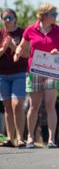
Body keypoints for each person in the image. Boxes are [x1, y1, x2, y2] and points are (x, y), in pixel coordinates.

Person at [14, 3, 59, 149]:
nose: (56, 17)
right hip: (34, 70)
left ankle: (51, 139)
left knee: (50, 104)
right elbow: (22, 45)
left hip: (53, 70)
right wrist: (17, 52)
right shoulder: (30, 29)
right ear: (44, 15)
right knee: (34, 105)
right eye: (54, 14)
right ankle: (30, 137)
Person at [0, 9, 28, 148]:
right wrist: (4, 48)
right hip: (3, 75)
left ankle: (20, 137)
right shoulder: (1, 34)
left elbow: (27, 54)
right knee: (7, 107)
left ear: (15, 19)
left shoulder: (23, 33)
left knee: (17, 104)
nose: (7, 21)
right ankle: (10, 138)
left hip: (19, 73)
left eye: (10, 18)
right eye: (4, 18)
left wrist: (14, 46)